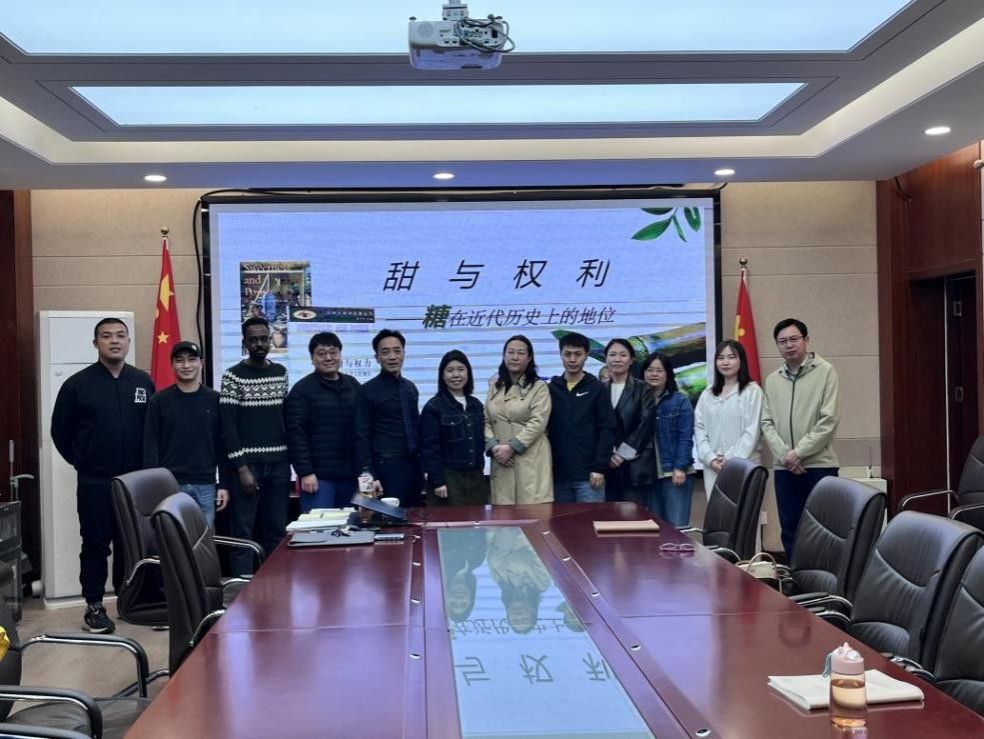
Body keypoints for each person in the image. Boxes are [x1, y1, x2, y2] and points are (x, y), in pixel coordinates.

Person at [50, 317, 155, 633]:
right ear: (96, 343)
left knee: (130, 543)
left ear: (128, 342)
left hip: (134, 483)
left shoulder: (142, 381)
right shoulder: (77, 385)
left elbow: (152, 429)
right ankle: (94, 606)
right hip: (95, 481)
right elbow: (60, 432)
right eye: (107, 336)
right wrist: (83, 461)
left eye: (120, 335)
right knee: (95, 544)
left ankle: (129, 601)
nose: (114, 341)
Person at [761, 318, 841, 558]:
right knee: (790, 529)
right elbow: (766, 423)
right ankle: (796, 578)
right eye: (782, 341)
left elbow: (828, 421)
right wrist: (785, 455)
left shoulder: (826, 372)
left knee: (823, 530)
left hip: (819, 466)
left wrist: (799, 453)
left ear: (806, 340)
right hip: (784, 467)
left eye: (794, 339)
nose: (789, 345)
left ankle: (823, 580)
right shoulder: (773, 379)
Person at [220, 316, 290, 575]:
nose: (260, 344)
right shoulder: (233, 376)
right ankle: (242, 589)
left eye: (263, 339)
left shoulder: (280, 373)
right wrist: (242, 468)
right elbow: (228, 427)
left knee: (277, 530)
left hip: (279, 465)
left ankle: (276, 586)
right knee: (243, 533)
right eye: (253, 340)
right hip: (247, 468)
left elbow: (284, 418)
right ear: (245, 343)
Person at [143, 341, 229, 527]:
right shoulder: (159, 400)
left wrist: (223, 484)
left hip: (206, 484)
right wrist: (154, 485)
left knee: (203, 540)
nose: (186, 365)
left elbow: (222, 445)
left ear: (202, 363)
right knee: (170, 538)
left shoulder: (215, 399)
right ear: (172, 365)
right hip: (170, 484)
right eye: (180, 360)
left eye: (192, 359)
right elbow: (151, 445)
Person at [284, 332, 361, 513]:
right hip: (318, 479)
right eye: (321, 353)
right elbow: (295, 434)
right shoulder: (302, 390)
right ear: (312, 358)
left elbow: (363, 430)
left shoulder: (353, 386)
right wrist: (305, 471)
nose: (328, 358)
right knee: (318, 527)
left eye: (333, 352)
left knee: (349, 526)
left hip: (351, 477)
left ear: (340, 355)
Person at [618, 353, 695, 527]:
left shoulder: (680, 400)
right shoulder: (635, 400)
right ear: (643, 373)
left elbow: (685, 437)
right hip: (647, 474)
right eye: (650, 370)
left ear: (668, 374)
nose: (654, 374)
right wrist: (621, 456)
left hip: (672, 472)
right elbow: (633, 436)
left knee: (677, 527)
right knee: (655, 528)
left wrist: (680, 467)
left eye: (659, 370)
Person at [354, 329, 424, 508]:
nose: (392, 357)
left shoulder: (410, 388)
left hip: (414, 467)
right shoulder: (367, 391)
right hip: (385, 467)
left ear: (404, 354)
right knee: (387, 519)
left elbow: (417, 428)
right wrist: (369, 475)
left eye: (397, 351)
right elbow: (361, 436)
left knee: (413, 517)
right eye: (385, 352)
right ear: (377, 357)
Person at [547, 332, 616, 503]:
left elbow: (607, 429)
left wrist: (599, 467)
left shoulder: (597, 388)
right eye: (567, 354)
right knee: (561, 521)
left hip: (589, 476)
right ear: (560, 355)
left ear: (586, 355)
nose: (572, 359)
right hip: (558, 477)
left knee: (590, 520)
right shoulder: (551, 389)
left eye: (578, 354)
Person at [484, 335, 553, 504]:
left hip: (530, 459)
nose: (515, 357)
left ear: (529, 358)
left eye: (520, 353)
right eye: (510, 352)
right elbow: (486, 420)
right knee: (503, 515)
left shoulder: (539, 387)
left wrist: (512, 447)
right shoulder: (495, 387)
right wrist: (494, 447)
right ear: (504, 356)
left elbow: (538, 422)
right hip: (501, 460)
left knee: (533, 513)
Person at [693, 339, 764, 498]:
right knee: (717, 511)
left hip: (744, 464)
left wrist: (730, 459)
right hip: (714, 467)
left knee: (744, 511)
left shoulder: (752, 392)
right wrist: (710, 458)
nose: (725, 362)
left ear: (741, 361)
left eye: (731, 357)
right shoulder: (708, 393)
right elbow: (699, 428)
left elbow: (752, 432)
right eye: (721, 358)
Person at [420, 350, 490, 506]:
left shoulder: (476, 405)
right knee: (450, 521)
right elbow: (429, 448)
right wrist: (438, 481)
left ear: (468, 373)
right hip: (449, 479)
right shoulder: (434, 407)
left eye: (461, 369)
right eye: (450, 370)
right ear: (442, 375)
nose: (456, 375)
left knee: (477, 520)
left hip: (476, 478)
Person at [602, 338, 647, 501]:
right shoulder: (600, 389)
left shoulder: (643, 388)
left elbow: (644, 427)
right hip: (605, 467)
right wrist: (607, 454)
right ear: (606, 359)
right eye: (612, 355)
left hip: (633, 467)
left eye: (623, 355)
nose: (617, 359)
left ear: (631, 360)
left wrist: (622, 454)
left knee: (632, 515)